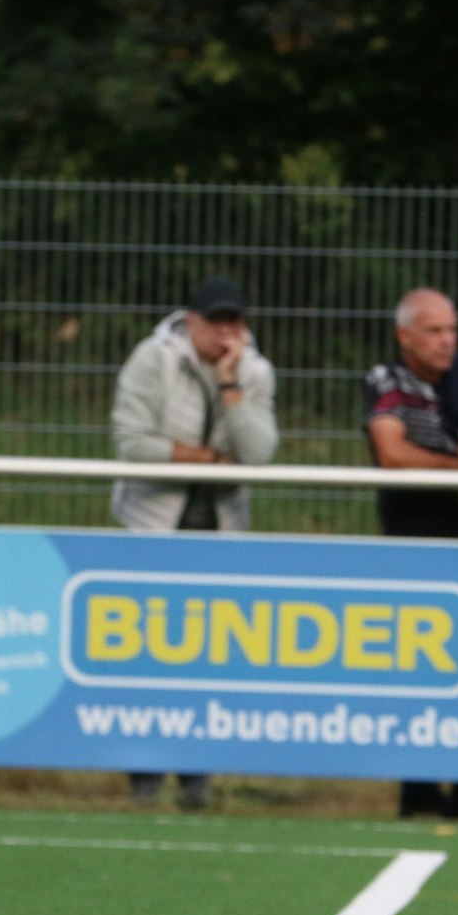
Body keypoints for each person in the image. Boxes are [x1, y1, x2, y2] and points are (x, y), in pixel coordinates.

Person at [110, 276, 277, 810]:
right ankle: (144, 775)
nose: (226, 333)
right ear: (192, 320)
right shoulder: (151, 359)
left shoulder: (255, 371)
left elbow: (261, 453)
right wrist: (206, 461)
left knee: (208, 655)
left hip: (219, 531)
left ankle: (196, 776)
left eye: (235, 322)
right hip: (151, 527)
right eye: (216, 322)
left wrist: (231, 389)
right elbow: (131, 444)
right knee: (146, 655)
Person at [364, 288, 458, 820]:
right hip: (407, 543)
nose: (448, 342)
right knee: (412, 671)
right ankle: (416, 789)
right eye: (435, 331)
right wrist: (456, 469)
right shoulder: (386, 381)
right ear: (405, 336)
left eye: (453, 331)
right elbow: (392, 454)